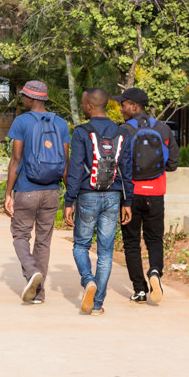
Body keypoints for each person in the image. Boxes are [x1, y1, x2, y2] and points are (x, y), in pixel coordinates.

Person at [64, 88, 133, 316]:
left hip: (87, 195)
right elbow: (127, 170)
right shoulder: (122, 132)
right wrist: (128, 202)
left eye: (84, 103)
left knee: (81, 245)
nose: (82, 106)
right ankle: (97, 304)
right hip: (113, 196)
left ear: (90, 106)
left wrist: (69, 200)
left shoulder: (81, 132)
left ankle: (88, 280)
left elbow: (75, 168)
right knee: (105, 252)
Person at [3, 80, 70, 304]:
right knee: (43, 241)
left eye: (24, 96)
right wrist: (69, 196)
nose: (22, 99)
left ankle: (31, 271)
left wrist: (8, 193)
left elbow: (16, 159)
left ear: (31, 99)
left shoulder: (21, 121)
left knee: (21, 235)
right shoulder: (60, 123)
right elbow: (65, 163)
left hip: (26, 189)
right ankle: (39, 294)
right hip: (51, 191)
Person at [114, 87, 178, 304]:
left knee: (131, 242)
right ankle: (155, 272)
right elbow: (173, 163)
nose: (121, 109)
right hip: (156, 193)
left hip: (130, 195)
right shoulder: (163, 128)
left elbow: (117, 163)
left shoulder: (123, 130)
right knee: (154, 239)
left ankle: (139, 290)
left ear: (134, 107)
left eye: (123, 105)